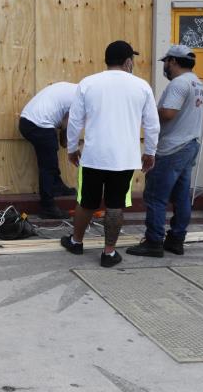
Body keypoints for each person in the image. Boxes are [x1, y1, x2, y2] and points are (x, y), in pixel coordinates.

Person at [62, 41, 160, 268]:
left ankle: (76, 241)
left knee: (86, 201)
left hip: (95, 156)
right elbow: (152, 125)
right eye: (132, 60)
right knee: (115, 204)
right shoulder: (142, 86)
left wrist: (72, 148)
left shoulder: (88, 83)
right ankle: (109, 252)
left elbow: (75, 120)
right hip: (124, 158)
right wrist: (150, 152)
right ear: (127, 62)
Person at [127, 45, 203, 257]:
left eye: (166, 62)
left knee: (155, 196)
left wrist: (148, 110)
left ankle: (153, 241)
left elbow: (168, 113)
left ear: (174, 61)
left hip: (172, 148)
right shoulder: (196, 81)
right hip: (190, 144)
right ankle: (176, 239)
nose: (165, 67)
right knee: (180, 196)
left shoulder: (178, 84)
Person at [19, 81, 78, 219]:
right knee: (48, 166)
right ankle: (48, 207)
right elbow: (66, 123)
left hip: (29, 121)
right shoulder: (80, 98)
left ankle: (57, 187)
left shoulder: (73, 89)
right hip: (38, 123)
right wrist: (65, 142)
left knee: (49, 158)